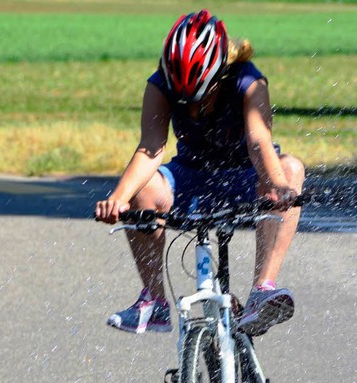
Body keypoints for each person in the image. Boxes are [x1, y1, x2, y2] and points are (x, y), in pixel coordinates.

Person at [95, 10, 305, 336]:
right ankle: (154, 303)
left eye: (201, 97)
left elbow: (258, 142)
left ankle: (262, 290)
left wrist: (278, 185)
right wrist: (118, 198)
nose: (192, 109)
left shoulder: (249, 83)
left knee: (290, 168)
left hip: (245, 175)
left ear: (220, 75)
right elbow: (150, 148)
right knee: (142, 188)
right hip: (192, 176)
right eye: (184, 100)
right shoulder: (159, 85)